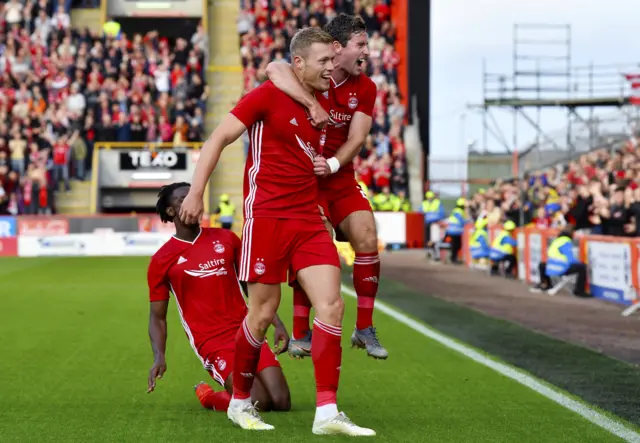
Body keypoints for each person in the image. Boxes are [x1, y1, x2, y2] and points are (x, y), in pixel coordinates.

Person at [179, 28, 375, 436]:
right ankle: (238, 402)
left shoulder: (325, 100)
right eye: (321, 61)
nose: (329, 68)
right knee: (263, 314)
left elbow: (344, 88)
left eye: (330, 61)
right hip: (266, 217)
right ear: (299, 64)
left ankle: (326, 412)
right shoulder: (268, 95)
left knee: (333, 306)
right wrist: (196, 193)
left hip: (307, 219)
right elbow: (218, 138)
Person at [265, 13, 387, 360]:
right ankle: (301, 333)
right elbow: (274, 68)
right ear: (338, 48)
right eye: (360, 44)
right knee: (317, 244)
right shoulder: (319, 73)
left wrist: (333, 164)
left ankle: (364, 327)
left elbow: (358, 136)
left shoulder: (366, 87)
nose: (367, 51)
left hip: (340, 177)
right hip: (307, 181)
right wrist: (309, 102)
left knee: (366, 234)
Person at [146, 182, 291, 413]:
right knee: (258, 402)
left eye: (196, 196)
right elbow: (157, 317)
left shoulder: (227, 239)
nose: (194, 201)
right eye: (184, 198)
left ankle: (234, 393)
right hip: (211, 340)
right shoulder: (161, 260)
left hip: (247, 329)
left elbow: (251, 287)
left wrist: (277, 323)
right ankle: (210, 398)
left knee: (281, 401)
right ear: (171, 211)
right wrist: (159, 357)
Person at [531, 225, 588, 297]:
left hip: (549, 268)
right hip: (560, 269)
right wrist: (580, 262)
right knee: (582, 267)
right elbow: (570, 259)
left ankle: (546, 284)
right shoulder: (566, 241)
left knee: (542, 264)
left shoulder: (556, 241)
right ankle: (579, 291)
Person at [445, 198, 467, 264]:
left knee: (454, 246)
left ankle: (453, 258)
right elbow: (461, 220)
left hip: (452, 230)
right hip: (455, 231)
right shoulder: (459, 211)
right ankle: (453, 259)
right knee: (456, 246)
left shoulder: (455, 210)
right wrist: (467, 221)